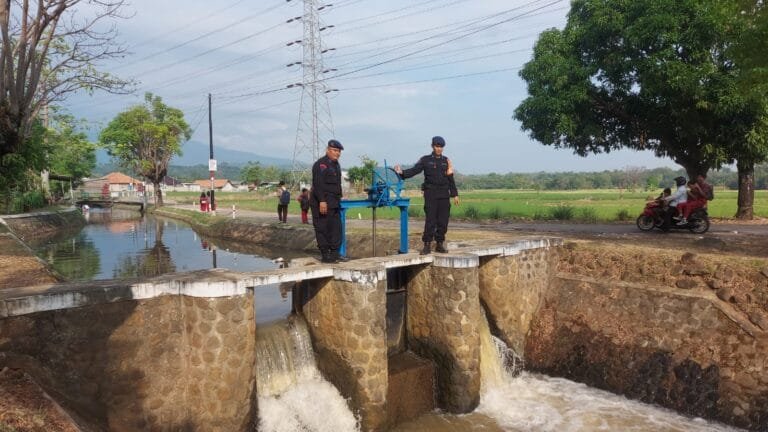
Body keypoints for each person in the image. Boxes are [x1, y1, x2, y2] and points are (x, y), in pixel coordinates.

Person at [394, 136, 460, 255]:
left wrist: (455, 194)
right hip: (431, 194)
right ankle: (427, 245)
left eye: (441, 147)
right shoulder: (425, 160)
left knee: (443, 221)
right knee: (430, 220)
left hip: (444, 194)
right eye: (437, 146)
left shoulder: (446, 160)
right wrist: (402, 173)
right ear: (432, 146)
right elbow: (414, 170)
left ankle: (440, 244)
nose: (439, 149)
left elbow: (450, 178)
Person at [311, 139, 346, 263]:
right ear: (328, 150)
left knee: (336, 229)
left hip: (334, 202)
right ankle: (325, 255)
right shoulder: (321, 164)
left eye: (339, 151)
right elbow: (318, 184)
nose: (337, 153)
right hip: (322, 203)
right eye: (335, 150)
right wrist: (322, 200)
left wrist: (340, 196)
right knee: (322, 228)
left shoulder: (336, 165)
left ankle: (335, 254)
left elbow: (337, 184)